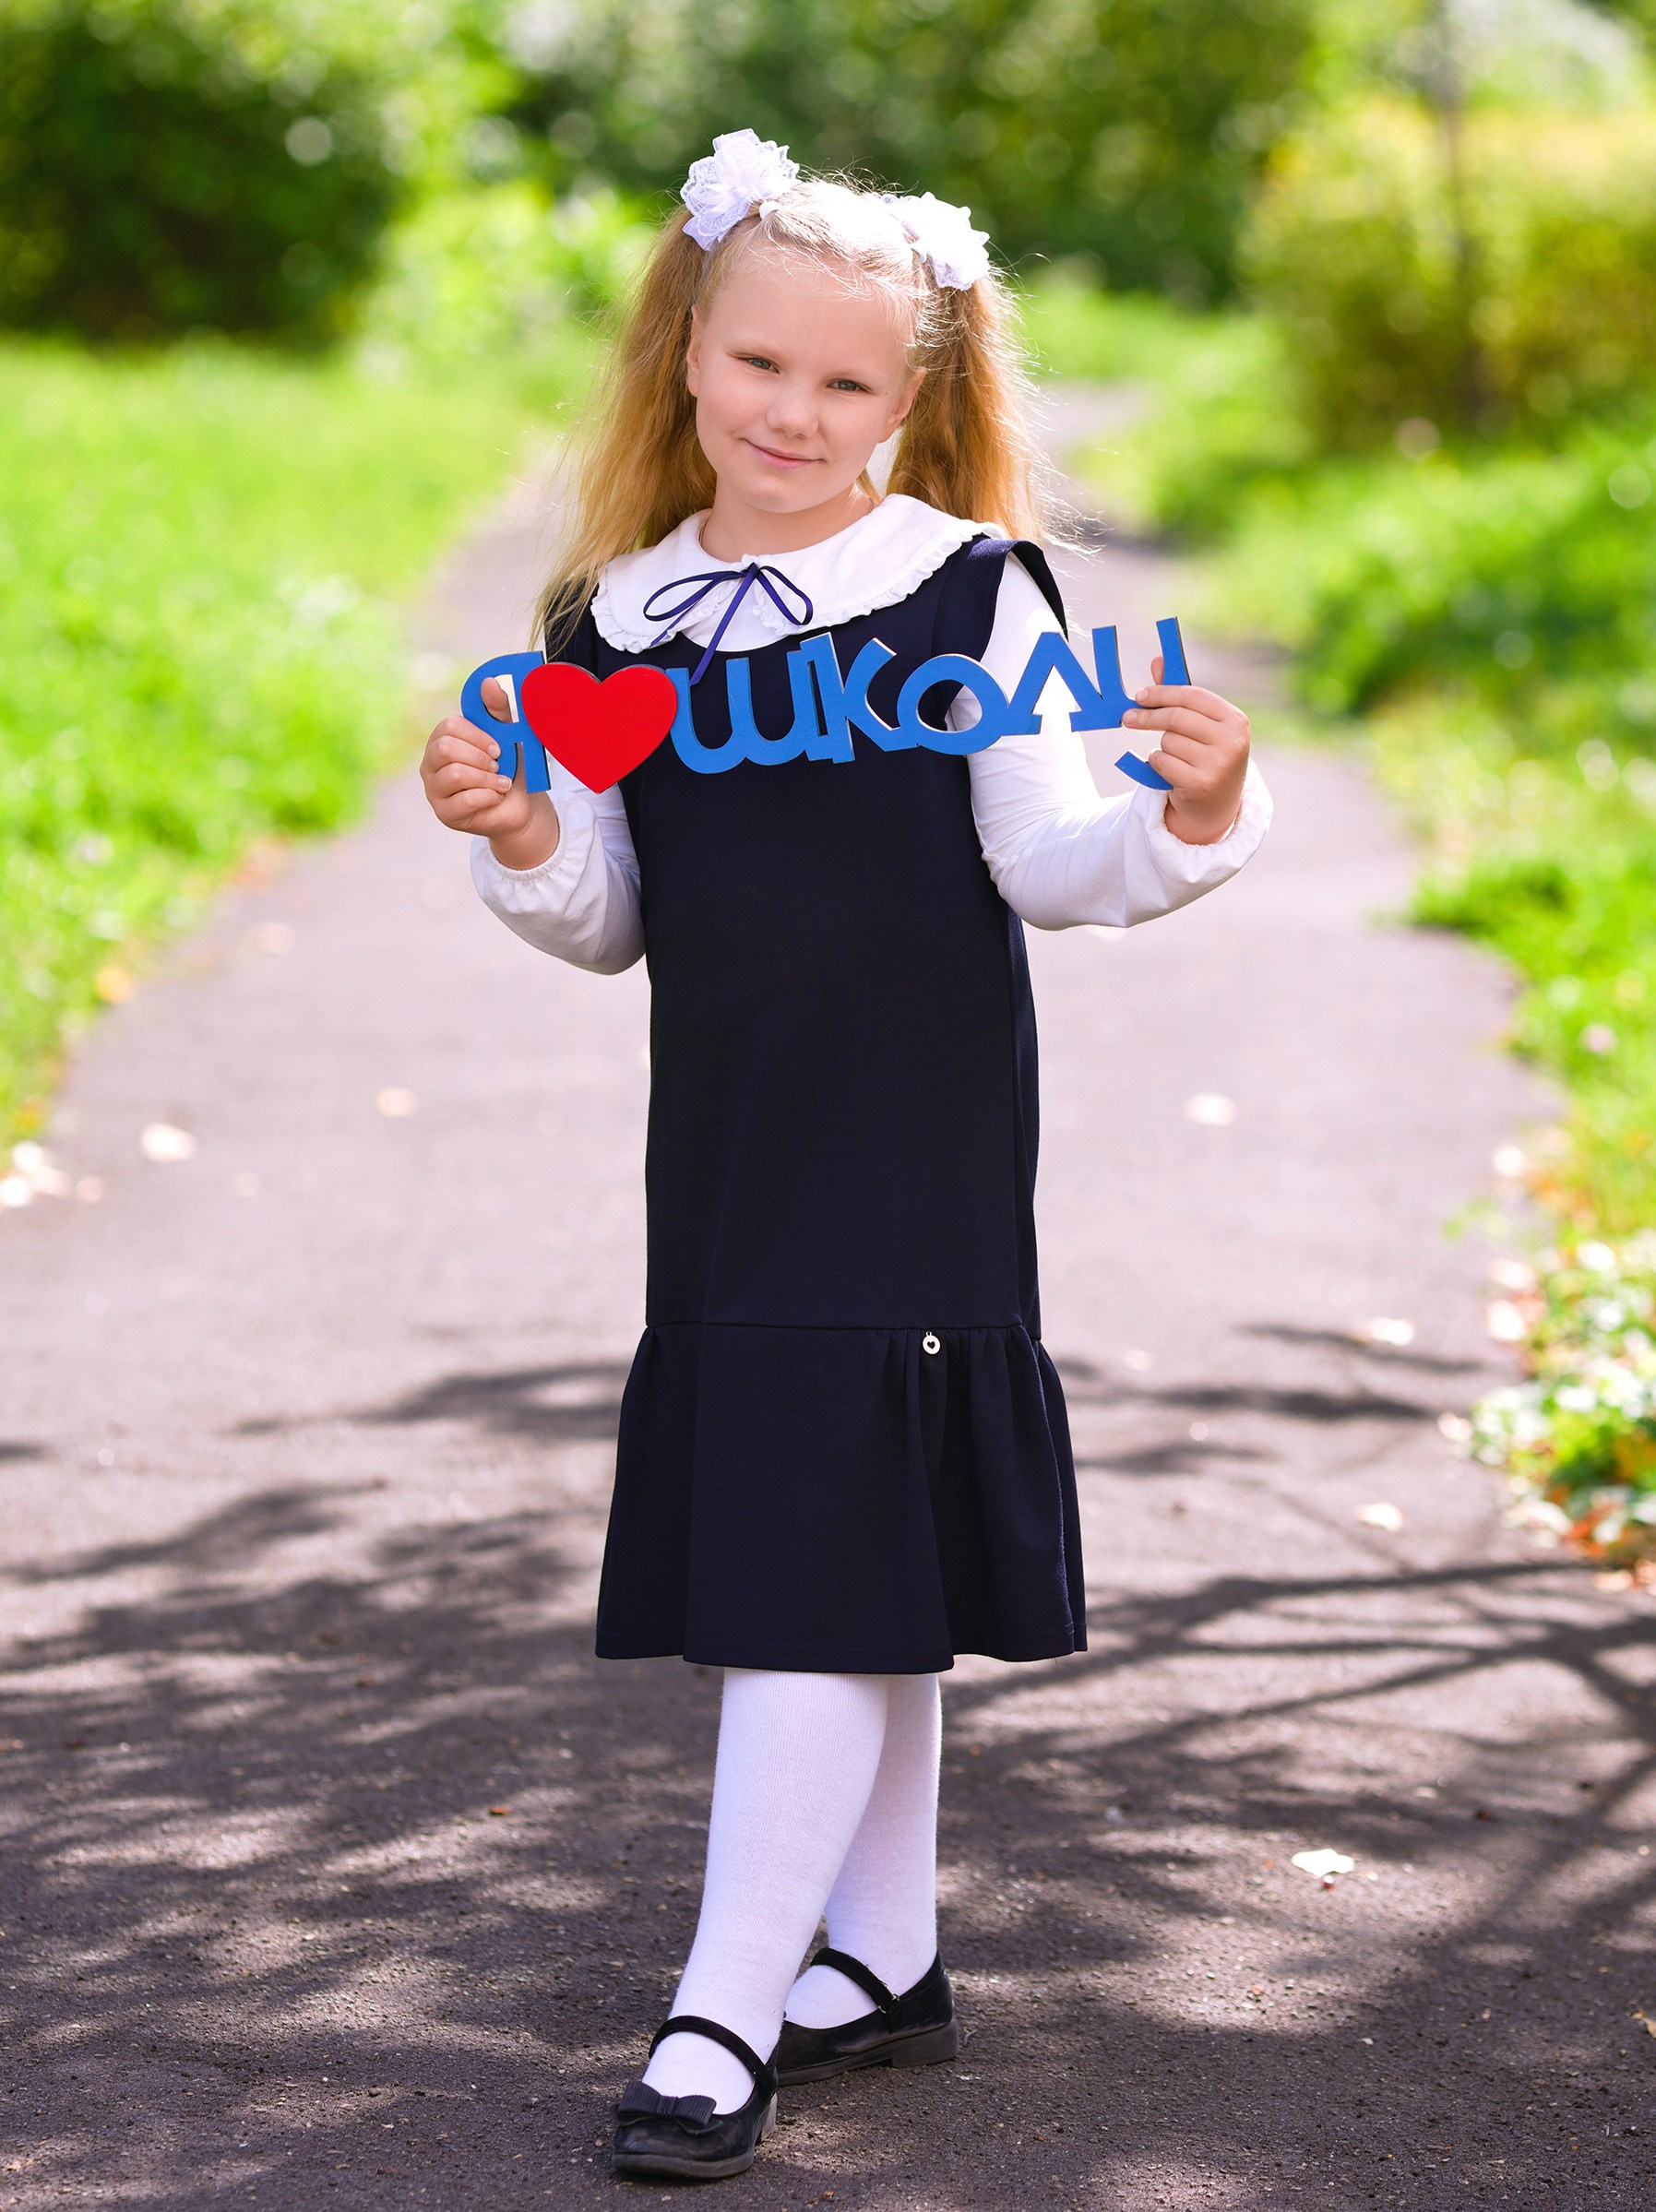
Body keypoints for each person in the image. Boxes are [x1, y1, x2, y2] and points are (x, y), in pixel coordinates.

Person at [419, 131, 1270, 2184]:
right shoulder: (613, 620)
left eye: (846, 386)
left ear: (915, 400)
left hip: (907, 1139)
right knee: (846, 1543)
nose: (793, 417)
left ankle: (727, 1994)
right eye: (757, 368)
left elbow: (1057, 859)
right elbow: (617, 905)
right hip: (725, 1144)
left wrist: (1194, 814)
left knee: (809, 1548)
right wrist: (526, 836)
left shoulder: (968, 591)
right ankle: (878, 1951)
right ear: (685, 352)